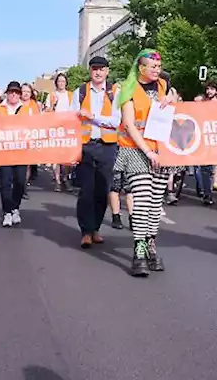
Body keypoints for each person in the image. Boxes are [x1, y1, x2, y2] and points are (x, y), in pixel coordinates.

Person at [114, 49, 174, 277]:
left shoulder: (161, 87)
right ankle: (138, 250)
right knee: (141, 199)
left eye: (159, 67)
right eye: (153, 67)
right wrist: (148, 152)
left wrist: (171, 99)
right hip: (136, 151)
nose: (157, 71)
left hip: (160, 150)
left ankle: (150, 245)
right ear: (141, 68)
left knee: (155, 203)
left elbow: (172, 105)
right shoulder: (127, 89)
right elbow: (129, 124)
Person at [75, 56, 122, 248]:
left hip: (107, 145)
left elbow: (116, 120)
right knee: (86, 190)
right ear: (90, 71)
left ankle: (96, 228)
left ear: (107, 71)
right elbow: (72, 120)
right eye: (95, 69)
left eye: (102, 69)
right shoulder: (80, 92)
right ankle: (85, 231)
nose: (98, 72)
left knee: (103, 189)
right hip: (86, 145)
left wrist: (93, 117)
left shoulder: (115, 92)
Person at [0, 81, 38, 227]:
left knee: (20, 182)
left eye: (16, 92)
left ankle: (15, 207)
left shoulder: (27, 109)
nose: (14, 94)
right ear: (7, 93)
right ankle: (7, 211)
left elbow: (34, 128)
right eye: (11, 92)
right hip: (4, 152)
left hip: (21, 152)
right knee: (5, 182)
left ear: (20, 94)